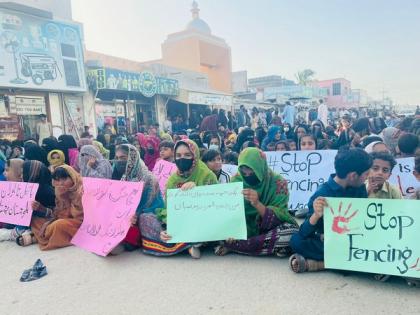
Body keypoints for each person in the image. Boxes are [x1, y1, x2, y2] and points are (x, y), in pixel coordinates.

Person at [289, 148, 372, 273]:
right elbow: (304, 232)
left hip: (356, 240)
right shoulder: (322, 194)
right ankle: (350, 264)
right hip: (332, 242)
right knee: (296, 241)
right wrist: (316, 216)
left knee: (372, 247)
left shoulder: (360, 188)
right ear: (353, 176)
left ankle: (322, 264)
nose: (368, 177)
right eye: (366, 174)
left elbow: (365, 219)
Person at [140, 139, 217, 258]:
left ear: (195, 156)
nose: (182, 159)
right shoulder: (173, 179)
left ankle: (184, 242)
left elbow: (216, 206)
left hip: (200, 222)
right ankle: (184, 243)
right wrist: (166, 228)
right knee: (146, 218)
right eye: (178, 155)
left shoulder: (207, 175)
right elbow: (170, 209)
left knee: (208, 230)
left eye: (187, 155)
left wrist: (197, 190)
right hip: (180, 222)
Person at [215, 148, 298, 256]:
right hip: (243, 228)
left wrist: (257, 204)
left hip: (268, 229)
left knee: (291, 234)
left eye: (251, 171)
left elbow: (281, 214)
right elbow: (229, 211)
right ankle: (240, 244)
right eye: (244, 172)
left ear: (260, 167)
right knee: (216, 228)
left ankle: (236, 246)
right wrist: (232, 230)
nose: (247, 175)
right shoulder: (236, 181)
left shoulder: (278, 182)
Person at [112, 144, 164, 252]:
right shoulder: (124, 178)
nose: (119, 161)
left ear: (133, 158)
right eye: (117, 158)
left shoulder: (149, 178)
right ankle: (124, 241)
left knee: (145, 219)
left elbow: (156, 204)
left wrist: (136, 214)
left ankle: (130, 241)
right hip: (130, 217)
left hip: (147, 213)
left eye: (123, 158)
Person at [22, 165, 84, 250]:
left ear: (73, 178)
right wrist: (41, 208)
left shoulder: (81, 191)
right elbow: (57, 213)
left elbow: (79, 216)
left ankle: (39, 236)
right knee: (36, 220)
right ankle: (45, 234)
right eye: (57, 180)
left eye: (64, 179)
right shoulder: (59, 192)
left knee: (58, 225)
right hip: (64, 220)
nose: (61, 183)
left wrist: (65, 199)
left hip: (79, 224)